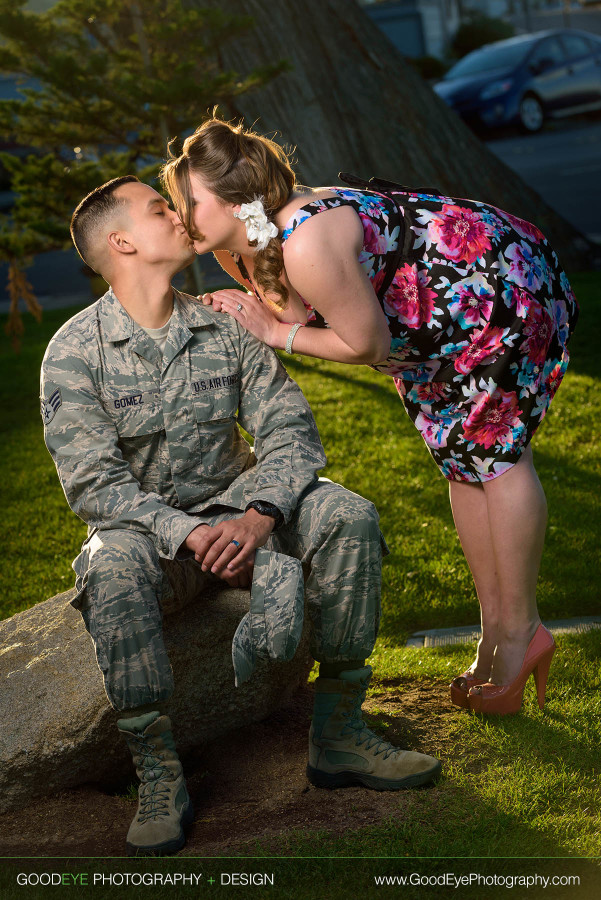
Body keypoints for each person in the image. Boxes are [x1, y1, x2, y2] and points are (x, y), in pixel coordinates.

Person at [40, 176, 441, 857]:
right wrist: (190, 531)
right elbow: (94, 486)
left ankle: (338, 734)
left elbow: (289, 431)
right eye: (161, 208)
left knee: (346, 514)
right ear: (123, 242)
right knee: (108, 569)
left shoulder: (224, 324)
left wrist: (256, 515)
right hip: (154, 542)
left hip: (247, 518)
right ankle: (159, 774)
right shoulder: (75, 354)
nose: (182, 217)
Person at [161, 116, 578, 717]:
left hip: (495, 296)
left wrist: (275, 334)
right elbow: (297, 303)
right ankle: (496, 632)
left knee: (499, 462)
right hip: (436, 324)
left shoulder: (303, 241)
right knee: (464, 467)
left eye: (187, 202)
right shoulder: (258, 231)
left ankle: (521, 633)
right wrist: (236, 259)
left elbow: (364, 346)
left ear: (232, 199)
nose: (180, 216)